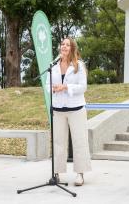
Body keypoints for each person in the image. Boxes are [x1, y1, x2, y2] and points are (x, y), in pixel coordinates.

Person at [46, 37, 92, 186]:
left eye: (68, 45)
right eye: (62, 44)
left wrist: (66, 87)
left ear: (72, 48)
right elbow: (47, 85)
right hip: (58, 109)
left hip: (76, 109)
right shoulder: (53, 66)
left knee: (80, 142)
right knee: (58, 142)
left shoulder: (79, 65)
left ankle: (80, 174)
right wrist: (54, 88)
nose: (64, 47)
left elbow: (83, 87)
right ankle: (57, 173)